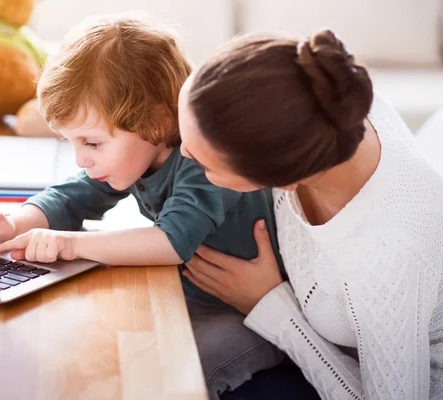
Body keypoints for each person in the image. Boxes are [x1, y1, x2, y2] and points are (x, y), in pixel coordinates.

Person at [0, 15, 286, 399]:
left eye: (91, 144)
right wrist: (12, 226)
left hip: (248, 313)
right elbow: (69, 197)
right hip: (188, 292)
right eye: (71, 143)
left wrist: (70, 244)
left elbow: (172, 242)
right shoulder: (138, 153)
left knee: (171, 378)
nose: (80, 160)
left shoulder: (206, 161)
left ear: (155, 124)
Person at [177, 28, 443, 399]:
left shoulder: (387, 253)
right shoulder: (325, 106)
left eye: (204, 163)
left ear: (282, 180)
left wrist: (271, 306)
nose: (183, 156)